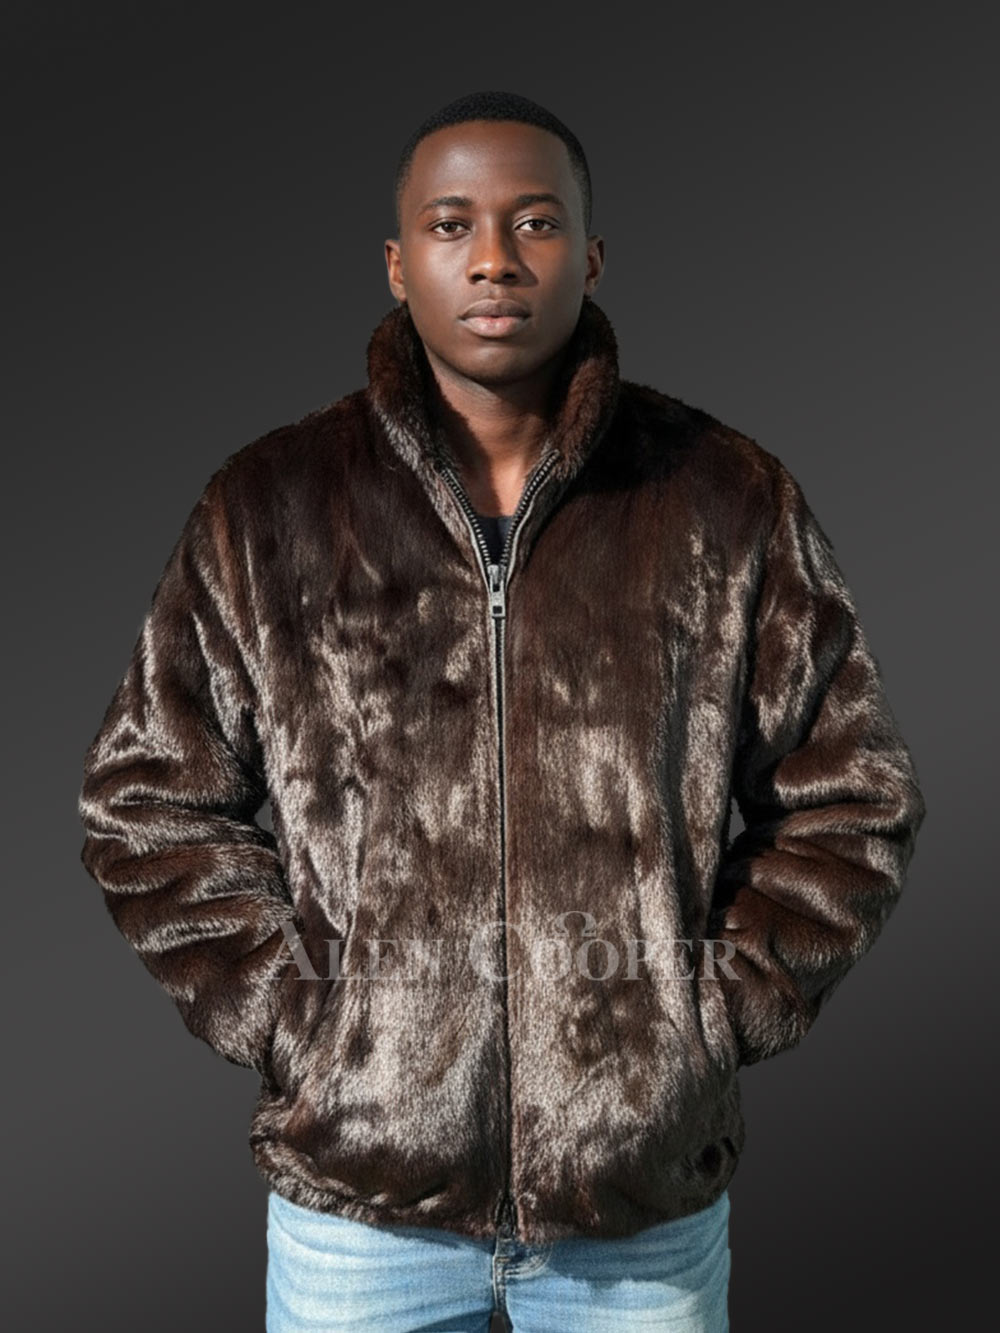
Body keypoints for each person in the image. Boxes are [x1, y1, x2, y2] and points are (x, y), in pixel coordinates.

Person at [77, 89, 927, 1332]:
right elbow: (146, 800)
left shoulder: (722, 499)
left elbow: (853, 798)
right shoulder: (271, 507)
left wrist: (702, 1016)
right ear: (397, 261)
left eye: (534, 222)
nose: (492, 258)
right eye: (451, 224)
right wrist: (305, 1019)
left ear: (591, 256)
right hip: (360, 1212)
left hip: (635, 1212)